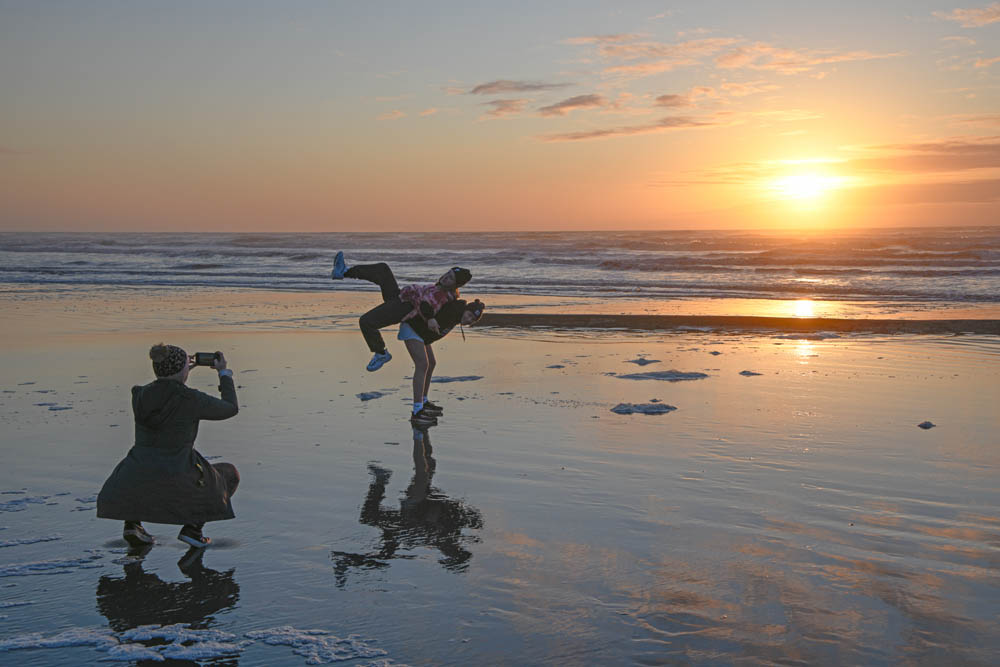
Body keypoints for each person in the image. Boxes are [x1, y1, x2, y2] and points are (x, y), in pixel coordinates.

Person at [96, 344, 240, 549]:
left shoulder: (140, 395)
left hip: (133, 477)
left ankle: (133, 525)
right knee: (229, 473)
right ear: (182, 369)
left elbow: (163, 390)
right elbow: (230, 408)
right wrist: (223, 373)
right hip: (178, 475)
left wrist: (178, 372)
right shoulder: (191, 399)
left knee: (145, 473)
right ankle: (193, 529)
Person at [332, 252, 470, 373]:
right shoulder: (439, 287)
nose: (446, 277)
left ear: (455, 285)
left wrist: (428, 316)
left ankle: (381, 353)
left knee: (366, 322)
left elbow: (425, 306)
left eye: (451, 278)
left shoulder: (443, 295)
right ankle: (344, 271)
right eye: (448, 273)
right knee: (383, 269)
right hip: (401, 298)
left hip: (404, 308)